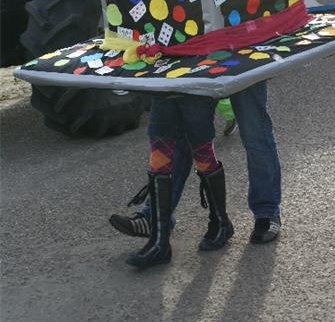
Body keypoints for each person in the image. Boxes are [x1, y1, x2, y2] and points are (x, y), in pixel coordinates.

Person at [110, 80, 282, 246]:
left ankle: (266, 212)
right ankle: (157, 217)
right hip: (196, 63)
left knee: (254, 131)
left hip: (240, 62)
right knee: (183, 133)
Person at [123, 92, 234, 270]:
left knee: (201, 149)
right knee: (159, 148)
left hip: (196, 86)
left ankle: (221, 223)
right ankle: (159, 242)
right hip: (163, 85)